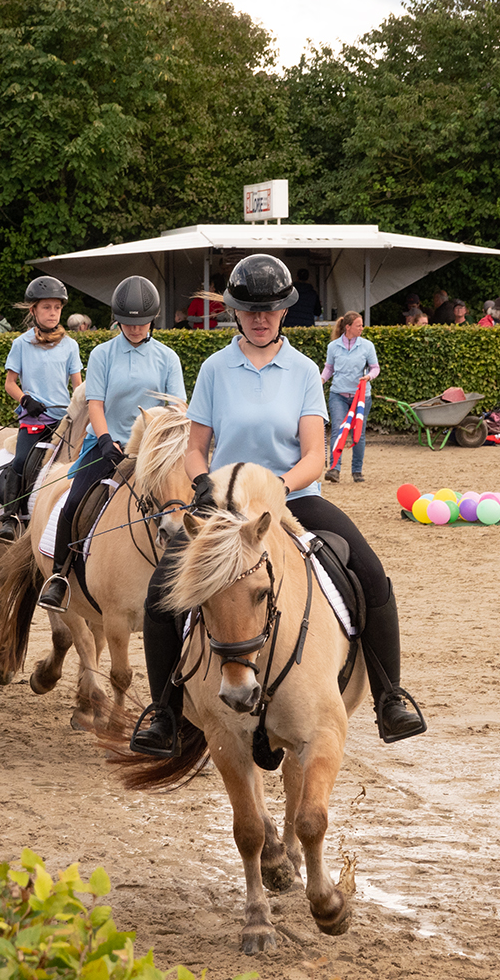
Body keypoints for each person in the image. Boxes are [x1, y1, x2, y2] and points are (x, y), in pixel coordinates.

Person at [130, 253, 426, 757]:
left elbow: (315, 455)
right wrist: (202, 482)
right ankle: (164, 712)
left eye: (269, 310)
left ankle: (389, 696)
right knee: (161, 591)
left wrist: (277, 487)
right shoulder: (215, 368)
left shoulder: (305, 370)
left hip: (294, 500)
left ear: (284, 310)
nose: (260, 318)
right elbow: (196, 448)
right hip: (226, 507)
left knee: (371, 574)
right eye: (250, 310)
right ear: (236, 312)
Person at [37, 277, 185, 610]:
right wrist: (104, 439)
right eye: (129, 323)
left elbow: (177, 409)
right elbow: (95, 404)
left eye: (142, 322)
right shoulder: (102, 354)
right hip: (106, 445)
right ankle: (59, 575)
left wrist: (159, 448)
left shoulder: (168, 358)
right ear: (118, 320)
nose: (135, 328)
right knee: (74, 502)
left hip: (152, 452)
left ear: (153, 319)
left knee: (189, 502)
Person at [0, 276, 84, 544]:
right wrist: (25, 400)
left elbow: (78, 387)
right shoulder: (21, 344)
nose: (53, 313)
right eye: (46, 307)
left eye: (57, 307)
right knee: (22, 461)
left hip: (64, 420)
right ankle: (9, 517)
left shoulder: (70, 345)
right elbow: (10, 384)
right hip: (35, 419)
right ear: (33, 310)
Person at [321, 311, 379, 483]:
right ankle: (334, 469)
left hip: (361, 396)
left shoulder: (367, 346)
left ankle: (357, 471)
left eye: (361, 325)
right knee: (338, 430)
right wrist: (320, 381)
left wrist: (369, 377)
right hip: (338, 394)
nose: (362, 328)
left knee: (358, 433)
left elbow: (375, 368)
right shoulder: (333, 347)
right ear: (348, 327)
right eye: (358, 325)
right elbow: (329, 368)